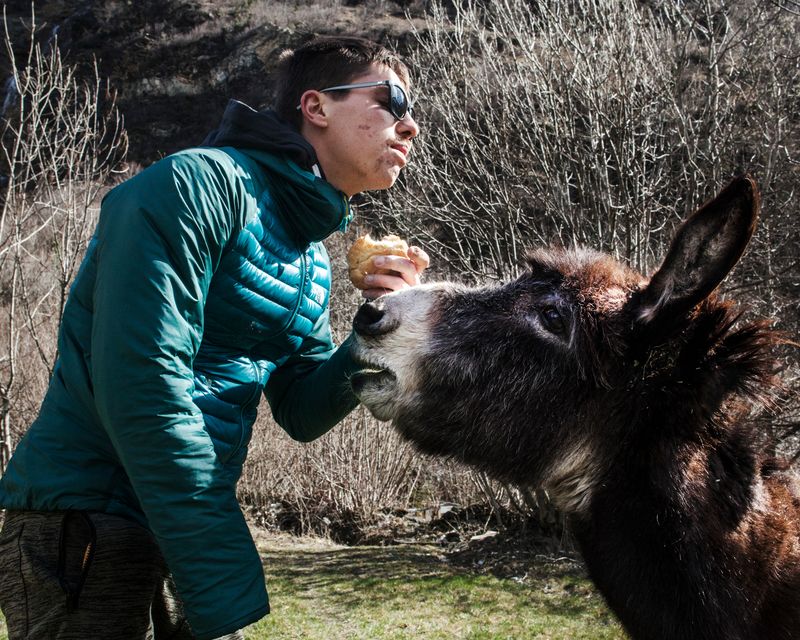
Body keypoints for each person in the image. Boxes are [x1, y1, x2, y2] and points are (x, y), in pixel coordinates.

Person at [0, 35, 427, 639]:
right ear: (317, 106)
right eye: (393, 100)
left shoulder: (308, 258)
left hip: (178, 521)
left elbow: (302, 408)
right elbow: (142, 381)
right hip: (90, 512)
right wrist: (215, 559)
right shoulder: (197, 185)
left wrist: (380, 326)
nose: (410, 126)